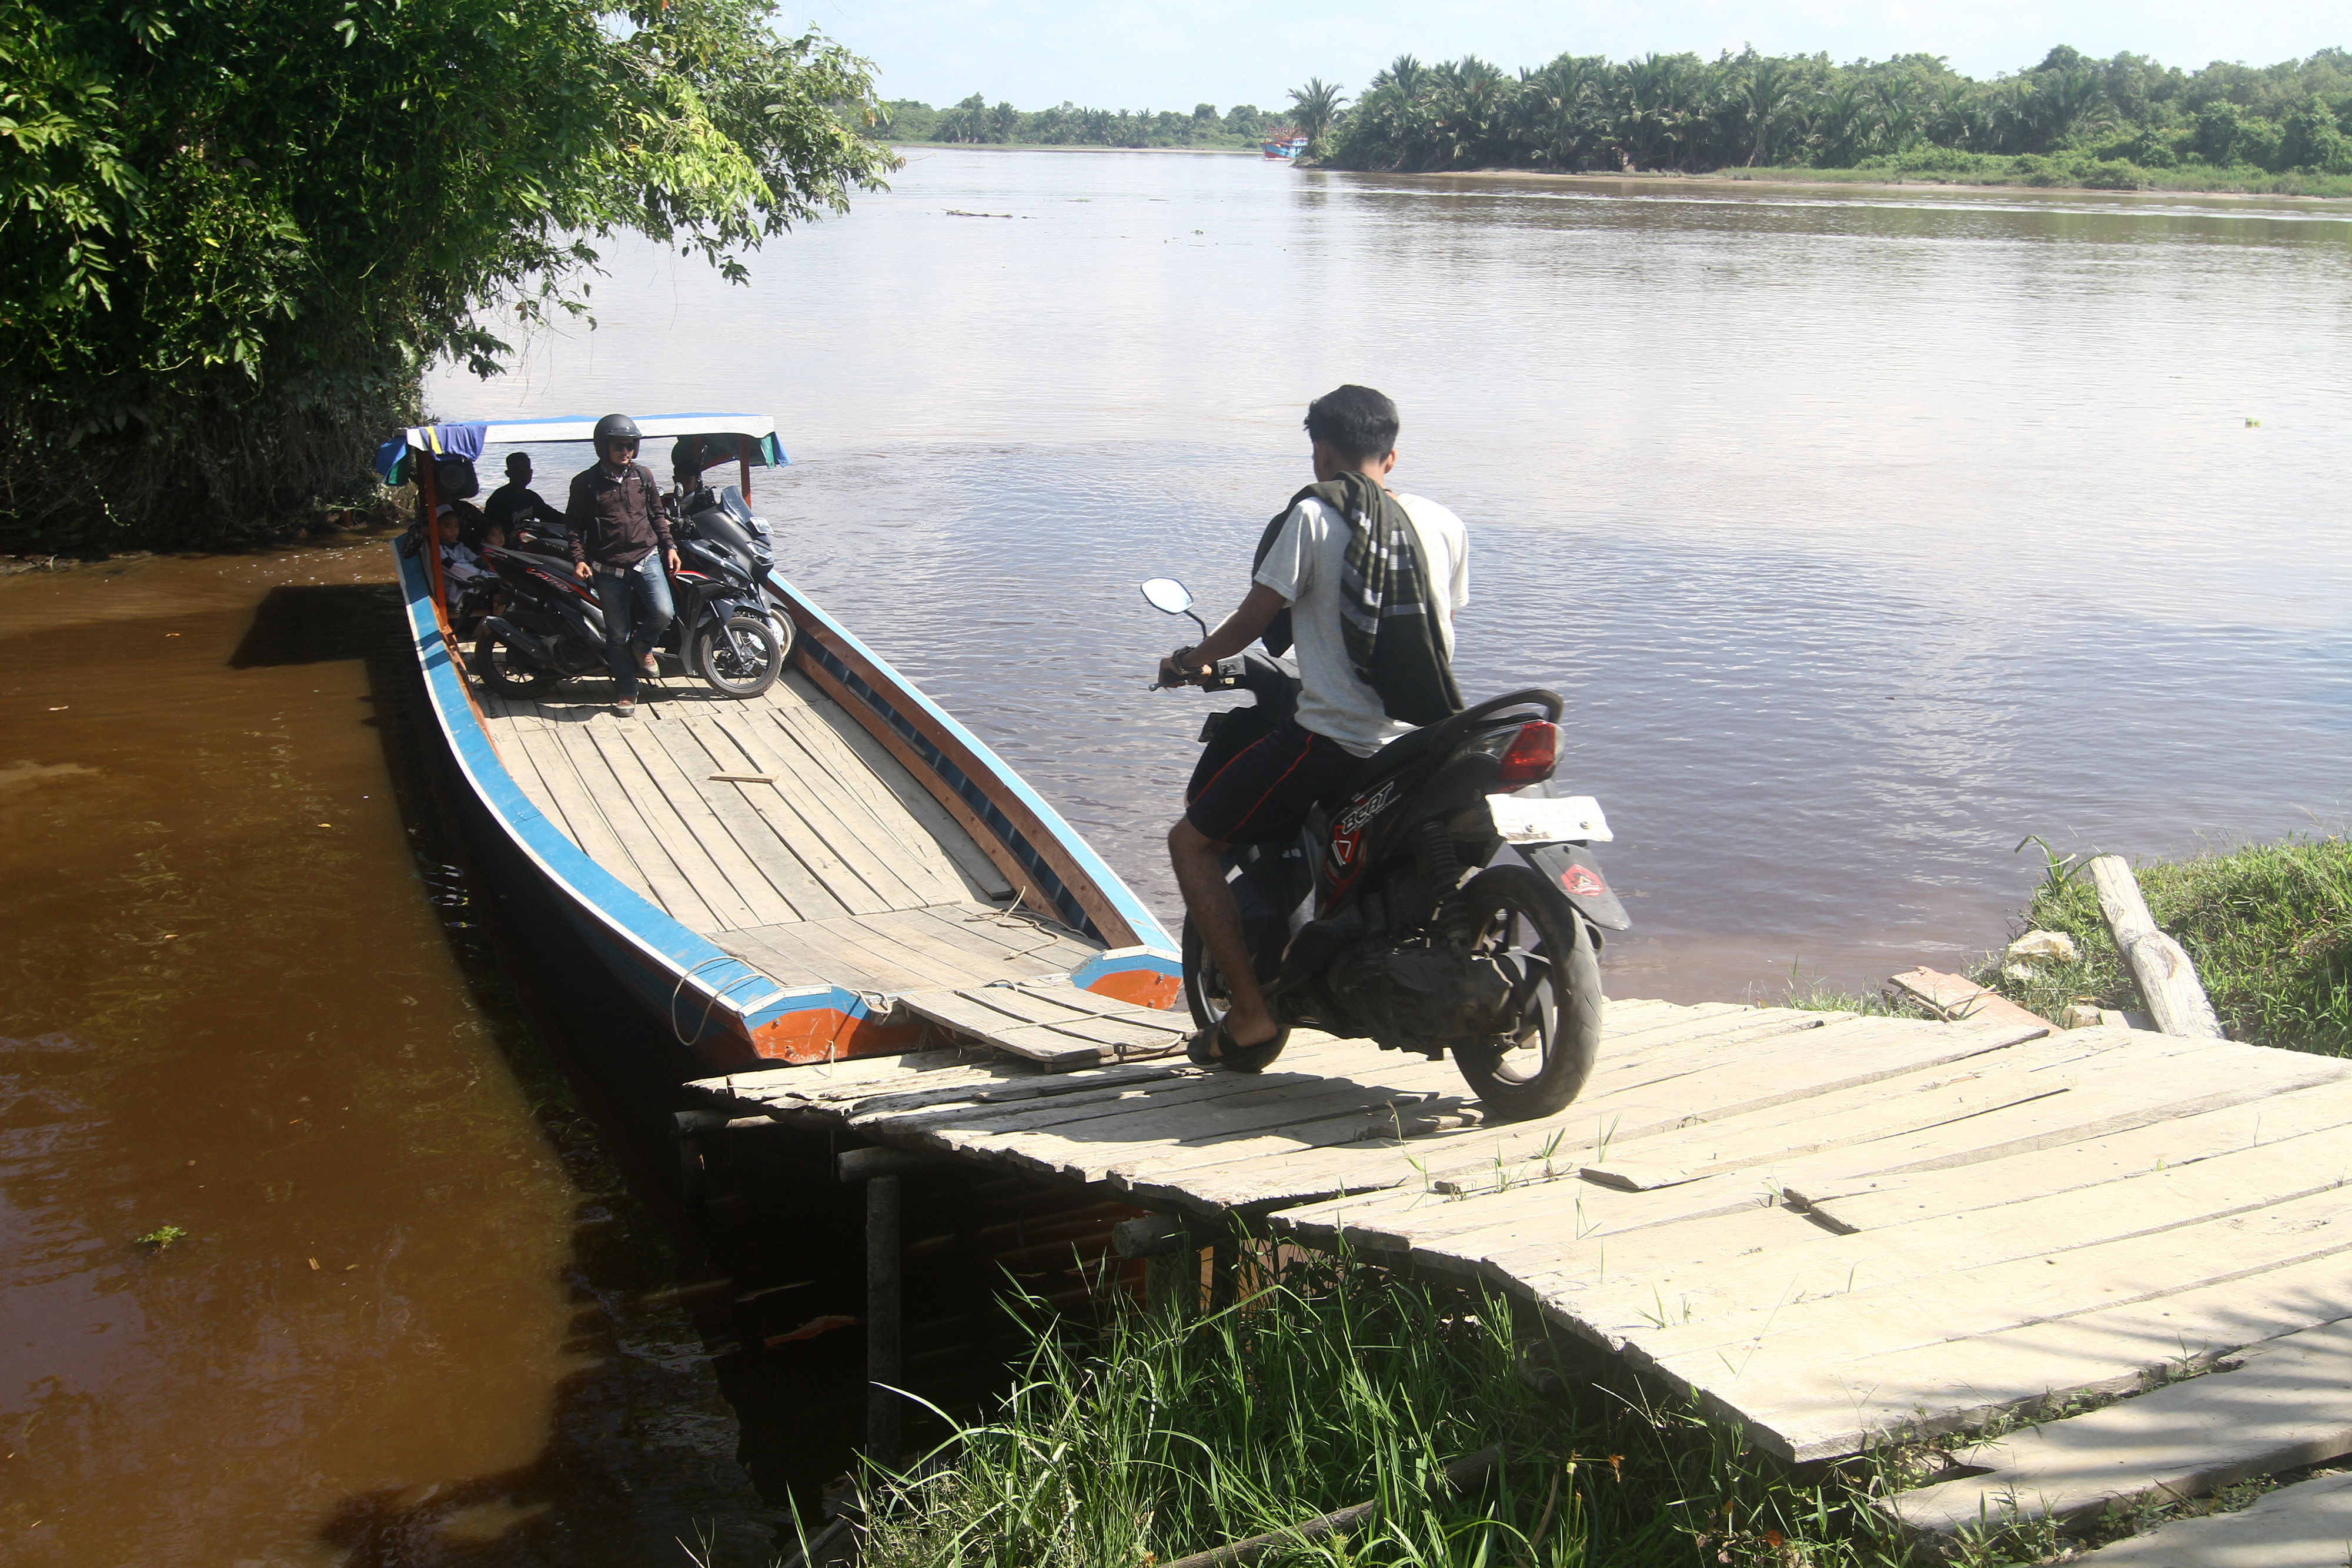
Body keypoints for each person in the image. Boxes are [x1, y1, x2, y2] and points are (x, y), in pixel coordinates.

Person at [1157, 385, 1469, 1071]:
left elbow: (1250, 622)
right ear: (1392, 454)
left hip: (1337, 741)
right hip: (1425, 741)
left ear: (1321, 452)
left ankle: (1250, 1016)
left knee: (1191, 844)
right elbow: (1430, 624)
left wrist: (1188, 660)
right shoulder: (1443, 524)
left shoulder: (1312, 517)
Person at [564, 413, 679, 717]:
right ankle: (627, 692)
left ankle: (643, 647)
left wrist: (669, 547)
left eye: (630, 445)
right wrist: (578, 559)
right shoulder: (586, 483)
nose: (625, 451)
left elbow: (658, 515)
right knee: (617, 634)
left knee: (664, 611)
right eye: (618, 446)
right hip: (606, 568)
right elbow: (574, 526)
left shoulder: (643, 476)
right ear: (604, 447)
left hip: (646, 558)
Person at [483, 452, 549, 534]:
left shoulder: (531, 497)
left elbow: (549, 515)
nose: (523, 475)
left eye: (526, 470)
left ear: (531, 472)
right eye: (518, 471)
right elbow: (490, 530)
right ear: (508, 474)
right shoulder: (499, 499)